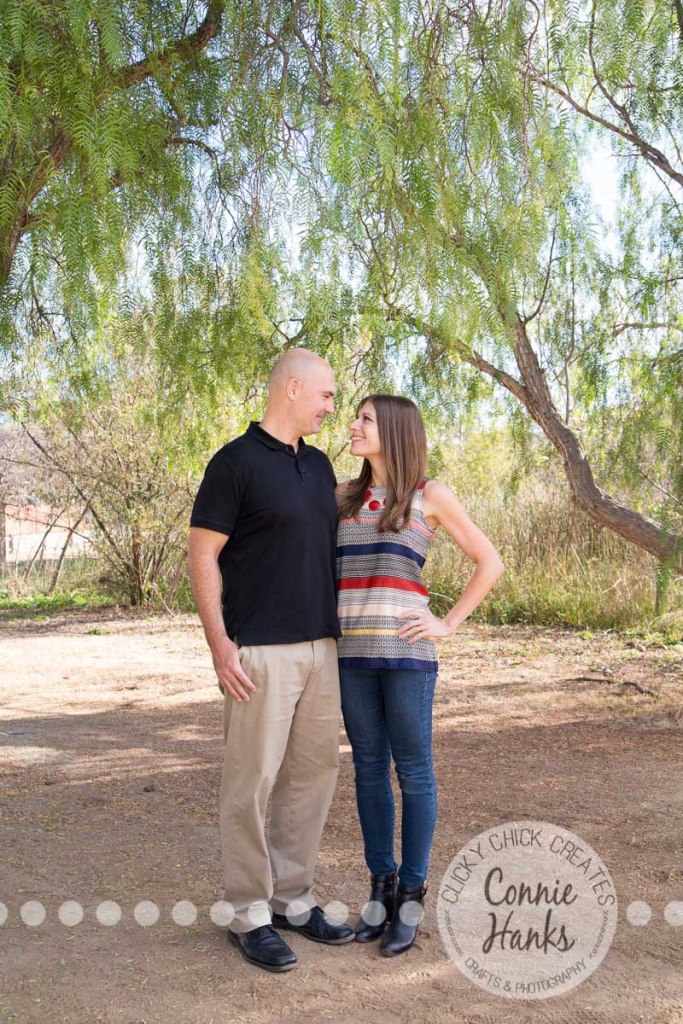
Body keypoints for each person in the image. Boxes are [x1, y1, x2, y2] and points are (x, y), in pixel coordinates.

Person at [188, 349, 354, 974]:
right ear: (292, 389)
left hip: (321, 649)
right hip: (257, 651)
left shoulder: (318, 465)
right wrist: (219, 643)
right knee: (252, 781)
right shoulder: (232, 464)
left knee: (312, 780)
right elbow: (203, 557)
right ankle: (250, 913)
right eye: (327, 395)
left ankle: (292, 899)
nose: (331, 406)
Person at [336, 394, 505, 956]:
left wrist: (447, 622)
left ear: (396, 430)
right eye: (355, 417)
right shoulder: (344, 497)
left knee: (413, 771)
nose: (353, 426)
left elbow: (490, 561)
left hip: (409, 656)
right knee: (367, 768)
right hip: (353, 656)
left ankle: (410, 897)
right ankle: (379, 892)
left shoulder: (430, 495)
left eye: (364, 419)